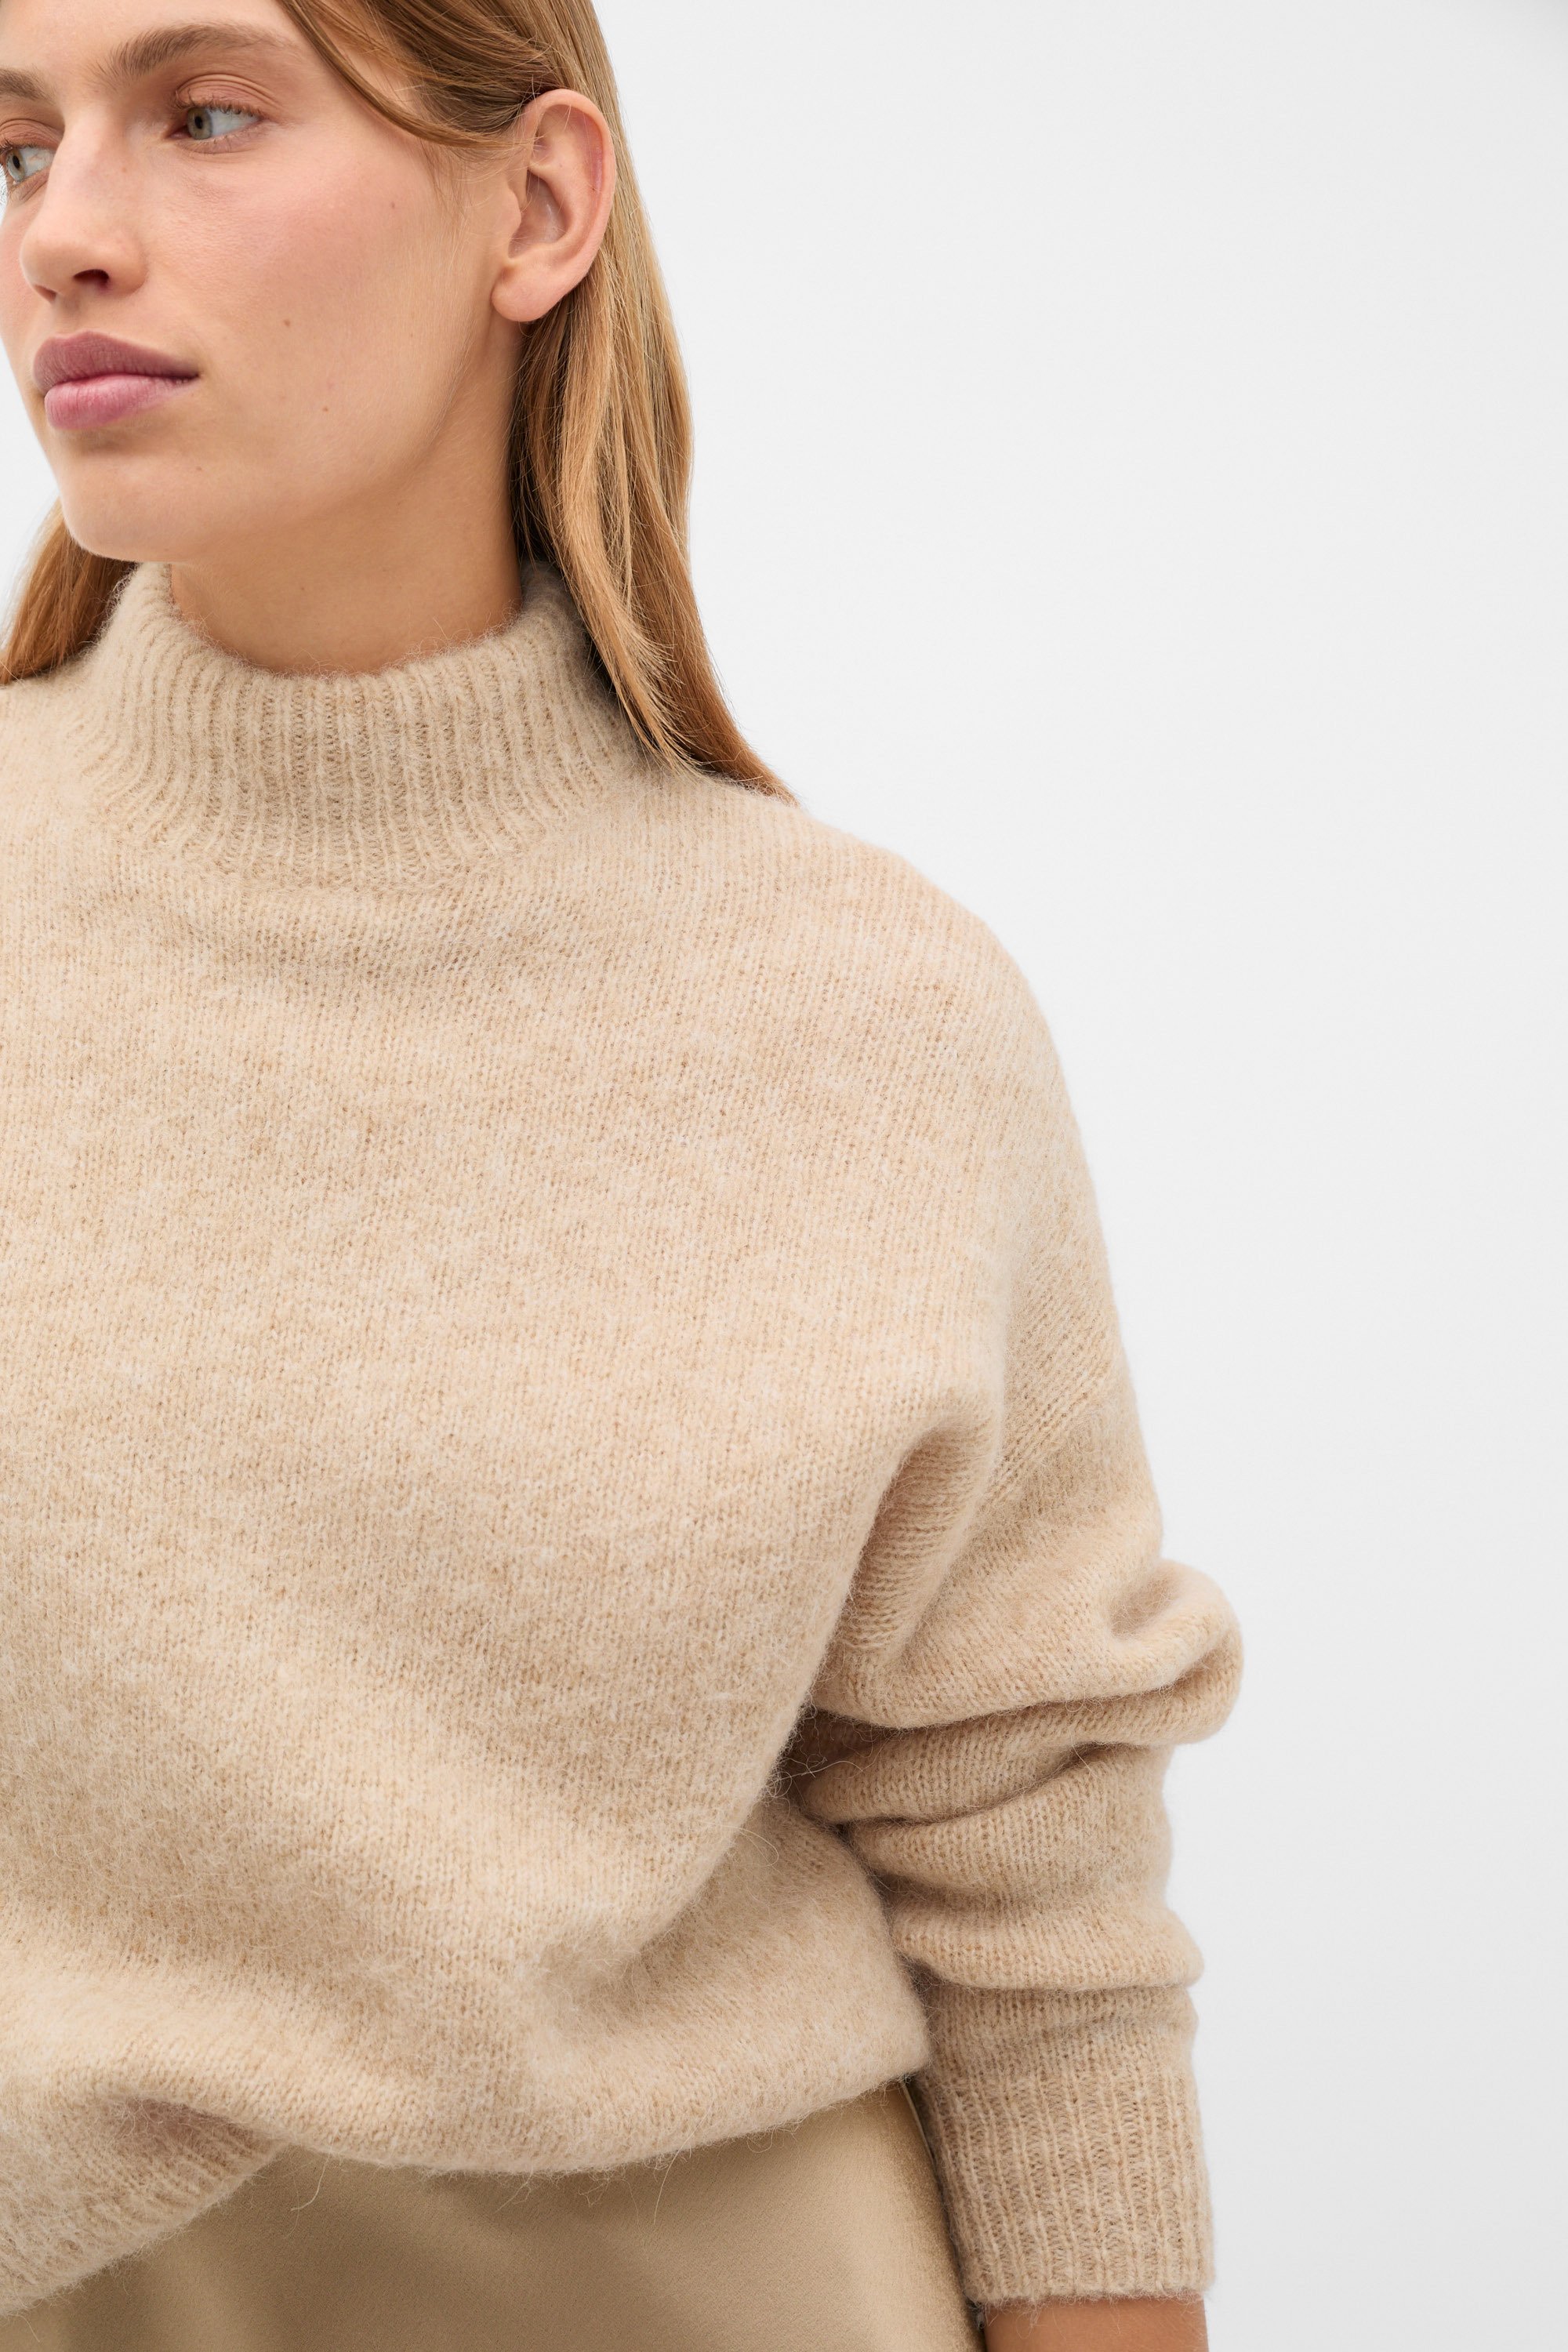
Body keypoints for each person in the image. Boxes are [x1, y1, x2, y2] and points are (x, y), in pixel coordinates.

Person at [0, 3, 1243, 2347]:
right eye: (17, 149)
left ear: (541, 205)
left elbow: (1035, 1861)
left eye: (207, 113)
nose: (63, 232)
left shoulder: (871, 1017)